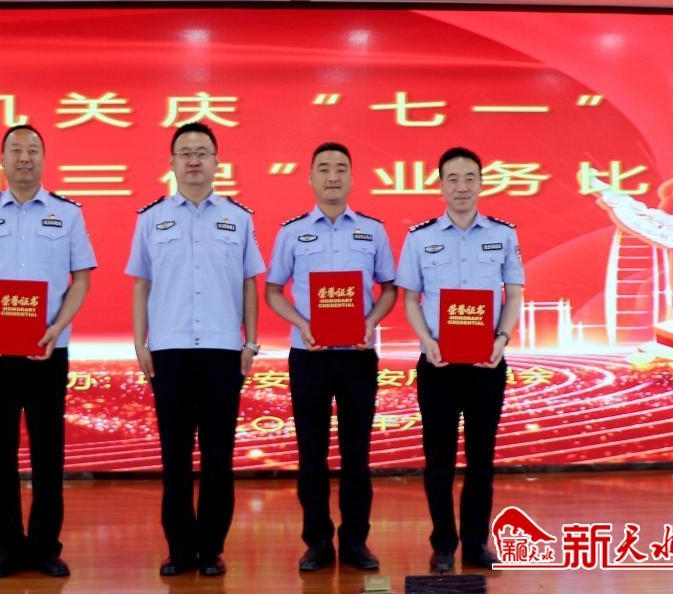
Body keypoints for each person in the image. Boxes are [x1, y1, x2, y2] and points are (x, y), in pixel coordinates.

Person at [0, 124, 96, 578]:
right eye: (16, 150)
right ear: (3, 160)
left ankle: (46, 547)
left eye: (32, 150)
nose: (24, 157)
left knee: (49, 452)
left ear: (44, 159)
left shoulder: (67, 214)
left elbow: (81, 279)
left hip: (49, 351)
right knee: (0, 452)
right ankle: (8, 548)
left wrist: (57, 328)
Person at [125, 122, 265, 577]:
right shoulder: (151, 218)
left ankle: (212, 549)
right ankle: (180, 549)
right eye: (184, 152)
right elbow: (142, 284)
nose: (193, 160)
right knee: (176, 456)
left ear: (217, 162)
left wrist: (250, 342)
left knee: (218, 456)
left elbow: (250, 284)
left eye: (202, 152)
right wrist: (140, 343)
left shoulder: (238, 218)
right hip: (169, 350)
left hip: (223, 350)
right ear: (171, 163)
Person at [264, 142, 397, 571]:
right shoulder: (292, 232)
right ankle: (318, 542)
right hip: (310, 354)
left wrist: (371, 320)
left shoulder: (373, 231)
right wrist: (301, 323)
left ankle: (356, 542)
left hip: (357, 355)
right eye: (323, 168)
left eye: (341, 168)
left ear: (353, 177)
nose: (333, 176)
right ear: (310, 178)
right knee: (312, 453)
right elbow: (273, 291)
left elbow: (389, 289)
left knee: (357, 453)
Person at [394, 146, 524, 571]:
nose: (462, 186)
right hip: (439, 365)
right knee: (439, 460)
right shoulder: (420, 237)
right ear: (441, 186)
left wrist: (502, 338)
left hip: (487, 363)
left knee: (481, 458)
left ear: (482, 184)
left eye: (470, 178)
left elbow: (514, 293)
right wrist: (426, 341)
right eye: (453, 178)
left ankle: (476, 544)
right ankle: (443, 544)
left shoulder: (503, 235)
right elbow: (410, 298)